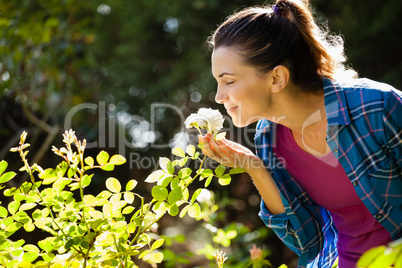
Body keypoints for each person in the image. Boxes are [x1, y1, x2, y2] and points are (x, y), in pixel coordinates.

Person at [198, 0, 402, 267]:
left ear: (276, 79)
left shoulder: (376, 107)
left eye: (229, 81)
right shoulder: (269, 138)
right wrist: (254, 167)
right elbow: (307, 241)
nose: (219, 96)